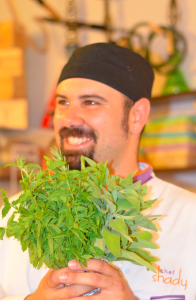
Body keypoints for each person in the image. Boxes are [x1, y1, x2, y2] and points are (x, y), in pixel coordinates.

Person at [0, 43, 196, 300]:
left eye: (90, 102)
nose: (69, 119)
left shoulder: (189, 220)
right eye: (63, 102)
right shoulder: (13, 218)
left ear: (136, 116)